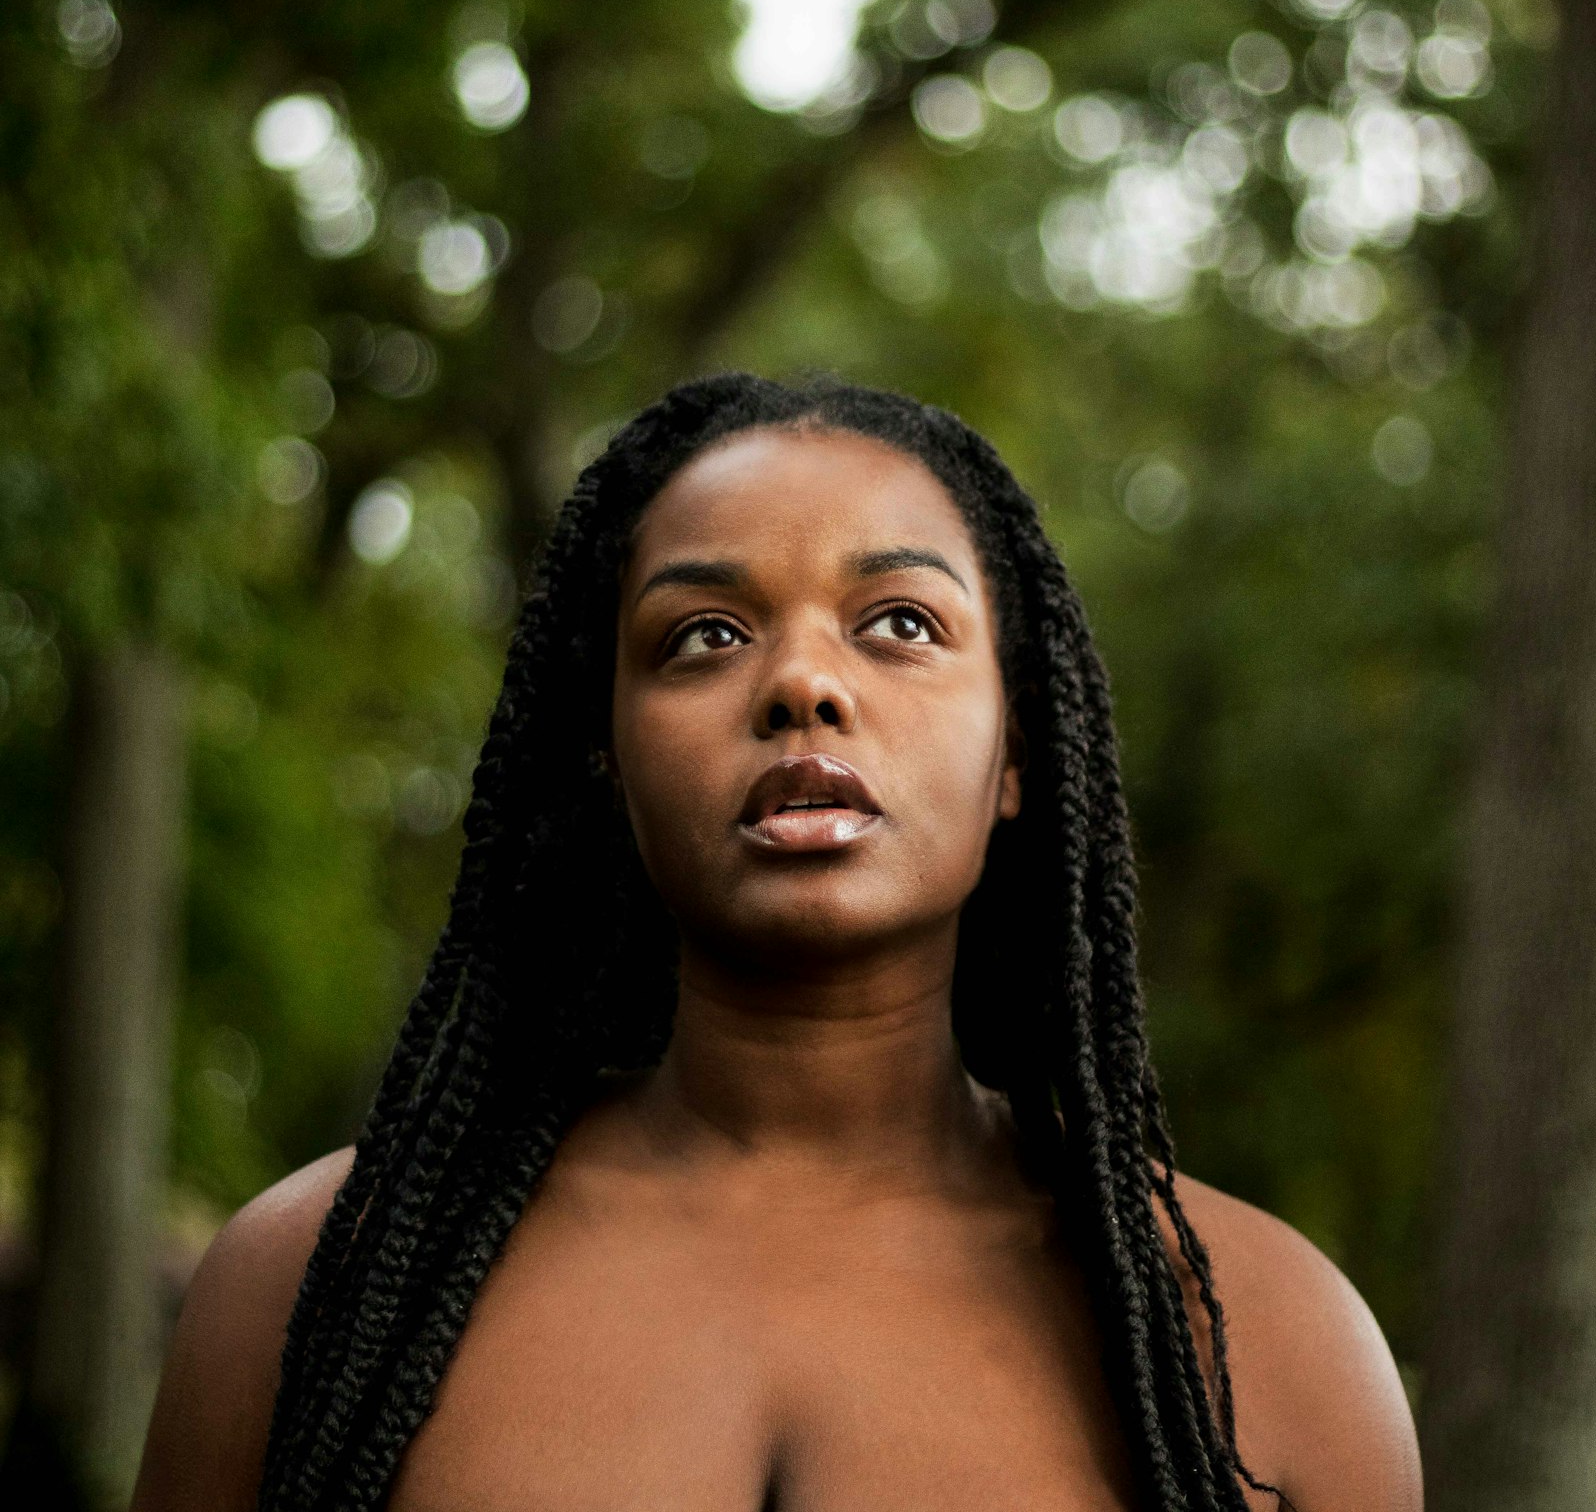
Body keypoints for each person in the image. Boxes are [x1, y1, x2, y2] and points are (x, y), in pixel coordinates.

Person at [132, 374, 1422, 1512]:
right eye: (706, 635)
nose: (803, 682)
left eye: (901, 624)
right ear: (607, 752)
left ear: (1021, 748)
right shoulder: (316, 1288)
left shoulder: (1266, 1343)